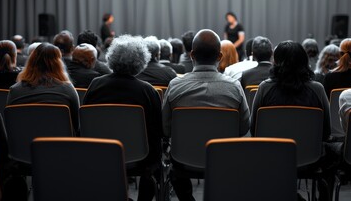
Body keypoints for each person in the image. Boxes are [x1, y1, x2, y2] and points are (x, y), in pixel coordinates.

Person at [163, 29, 250, 201]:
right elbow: (243, 128)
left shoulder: (175, 86)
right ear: (219, 56)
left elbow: (165, 129)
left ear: (192, 55)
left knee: (173, 168)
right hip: (224, 161)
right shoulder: (235, 87)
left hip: (183, 162)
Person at [83, 35, 162, 201]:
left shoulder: (95, 85)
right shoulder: (148, 91)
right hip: (141, 156)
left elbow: (85, 120)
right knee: (157, 159)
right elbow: (157, 129)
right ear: (141, 61)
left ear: (111, 58)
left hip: (100, 153)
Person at [251, 41, 330, 140]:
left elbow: (254, 128)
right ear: (304, 61)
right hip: (310, 152)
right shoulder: (318, 89)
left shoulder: (264, 88)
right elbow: (327, 131)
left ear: (275, 62)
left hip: (271, 151)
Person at [6, 43, 80, 134]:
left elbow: (10, 125)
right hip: (61, 145)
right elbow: (77, 125)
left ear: (31, 62)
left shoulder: (15, 91)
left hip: (23, 145)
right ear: (58, 64)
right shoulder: (68, 90)